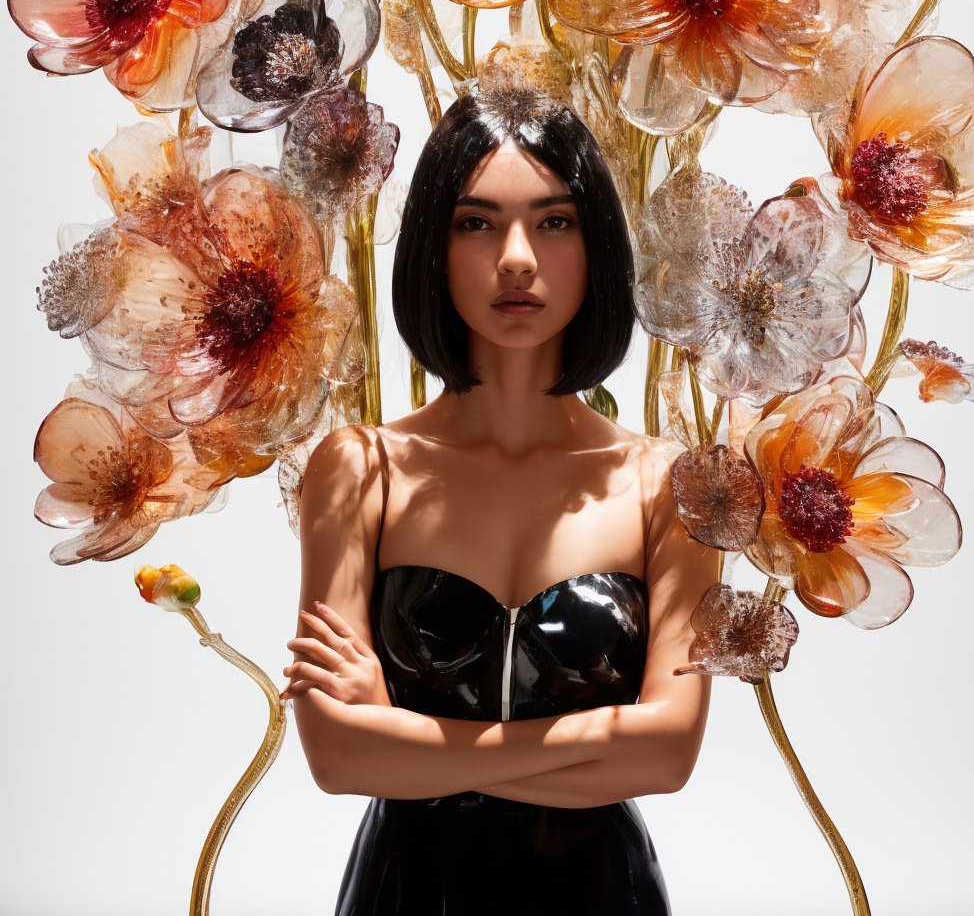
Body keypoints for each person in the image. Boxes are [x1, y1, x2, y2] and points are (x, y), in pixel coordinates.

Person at [283, 84, 718, 914]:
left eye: (554, 221)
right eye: (476, 222)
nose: (516, 256)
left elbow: (668, 756)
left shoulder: (667, 483)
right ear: (431, 248)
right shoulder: (360, 467)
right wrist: (597, 745)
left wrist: (408, 743)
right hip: (409, 893)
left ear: (596, 247)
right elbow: (338, 759)